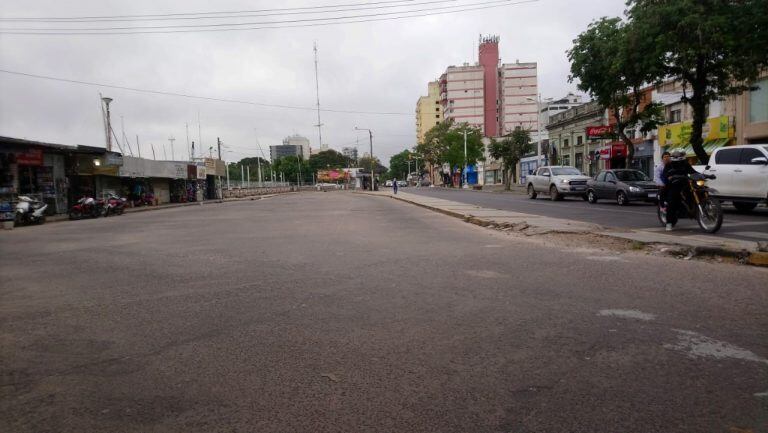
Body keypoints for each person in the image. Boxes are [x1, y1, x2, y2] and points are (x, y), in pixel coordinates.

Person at [662, 150, 697, 231]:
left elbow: (693, 172)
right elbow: (665, 174)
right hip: (673, 185)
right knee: (672, 202)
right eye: (677, 155)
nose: (679, 157)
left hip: (685, 183)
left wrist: (703, 175)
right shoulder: (669, 164)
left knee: (695, 190)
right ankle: (669, 223)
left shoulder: (685, 163)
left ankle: (694, 209)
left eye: (680, 155)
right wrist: (670, 177)